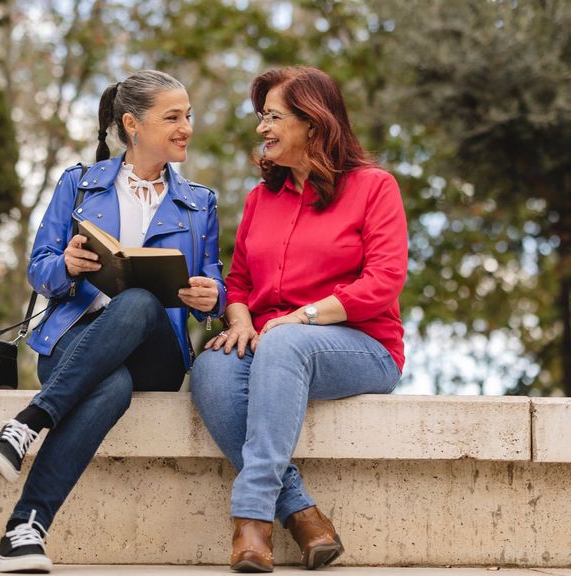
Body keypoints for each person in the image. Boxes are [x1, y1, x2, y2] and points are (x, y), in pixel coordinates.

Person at [0, 69, 226, 574]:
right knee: (110, 387)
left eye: (188, 116)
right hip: (76, 340)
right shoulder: (79, 184)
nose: (186, 128)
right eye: (173, 117)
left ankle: (30, 422)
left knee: (138, 300)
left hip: (157, 351)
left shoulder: (201, 202)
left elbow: (213, 285)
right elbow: (39, 269)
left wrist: (210, 296)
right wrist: (66, 266)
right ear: (133, 124)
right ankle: (23, 532)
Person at [190, 66, 407, 572]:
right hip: (267, 342)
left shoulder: (375, 187)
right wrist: (239, 319)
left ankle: (252, 519)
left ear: (313, 123)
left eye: (272, 116)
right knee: (211, 368)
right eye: (260, 117)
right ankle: (301, 513)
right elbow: (238, 281)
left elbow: (384, 281)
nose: (261, 128)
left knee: (286, 343)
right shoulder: (259, 199)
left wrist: (301, 318)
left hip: (361, 346)